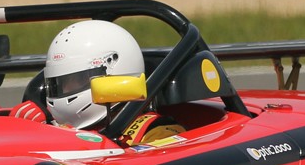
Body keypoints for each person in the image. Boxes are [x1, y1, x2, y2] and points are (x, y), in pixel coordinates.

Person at [16, 19, 184, 146]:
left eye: (77, 80)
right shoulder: (50, 126)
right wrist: (34, 133)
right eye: (59, 83)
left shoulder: (159, 133)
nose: (66, 89)